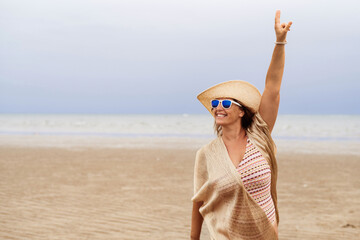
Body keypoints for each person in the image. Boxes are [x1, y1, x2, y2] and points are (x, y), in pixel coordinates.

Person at [190, 10, 292, 240]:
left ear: (241, 110)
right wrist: (193, 238)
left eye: (226, 102)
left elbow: (273, 87)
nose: (218, 107)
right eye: (215, 103)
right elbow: (199, 200)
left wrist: (280, 42)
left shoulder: (259, 137)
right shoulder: (207, 154)